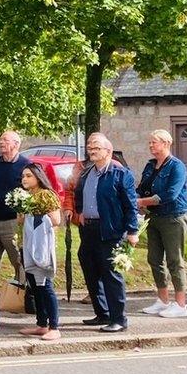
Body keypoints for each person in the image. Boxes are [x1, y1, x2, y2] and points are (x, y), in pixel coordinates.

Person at [75, 133, 139, 332]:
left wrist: (132, 230)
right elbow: (78, 193)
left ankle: (118, 319)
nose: (92, 151)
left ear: (108, 151)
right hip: (89, 229)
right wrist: (80, 210)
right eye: (90, 148)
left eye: (96, 148)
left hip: (110, 229)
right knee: (90, 268)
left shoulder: (121, 174)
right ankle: (102, 313)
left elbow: (130, 205)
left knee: (111, 274)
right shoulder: (86, 173)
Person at [136, 129, 187, 318]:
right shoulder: (150, 166)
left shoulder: (177, 166)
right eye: (150, 142)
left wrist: (143, 202)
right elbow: (141, 188)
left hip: (174, 216)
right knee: (154, 258)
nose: (151, 145)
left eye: (155, 142)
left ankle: (181, 304)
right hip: (154, 217)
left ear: (166, 143)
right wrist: (137, 199)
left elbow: (170, 194)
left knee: (175, 260)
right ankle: (163, 300)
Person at [17, 164, 63, 341]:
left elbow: (55, 220)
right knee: (34, 286)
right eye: (23, 176)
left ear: (38, 177)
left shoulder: (46, 195)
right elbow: (21, 221)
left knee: (45, 285)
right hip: (27, 244)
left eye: (28, 176)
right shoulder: (26, 196)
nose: (24, 179)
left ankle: (54, 326)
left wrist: (36, 215)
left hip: (41, 246)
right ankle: (41, 324)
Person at [0, 131, 31, 282]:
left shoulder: (26, 165)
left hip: (13, 221)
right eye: (0, 139)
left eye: (5, 140)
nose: (0, 142)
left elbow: (32, 190)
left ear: (16, 144)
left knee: (18, 259)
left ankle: (22, 295)